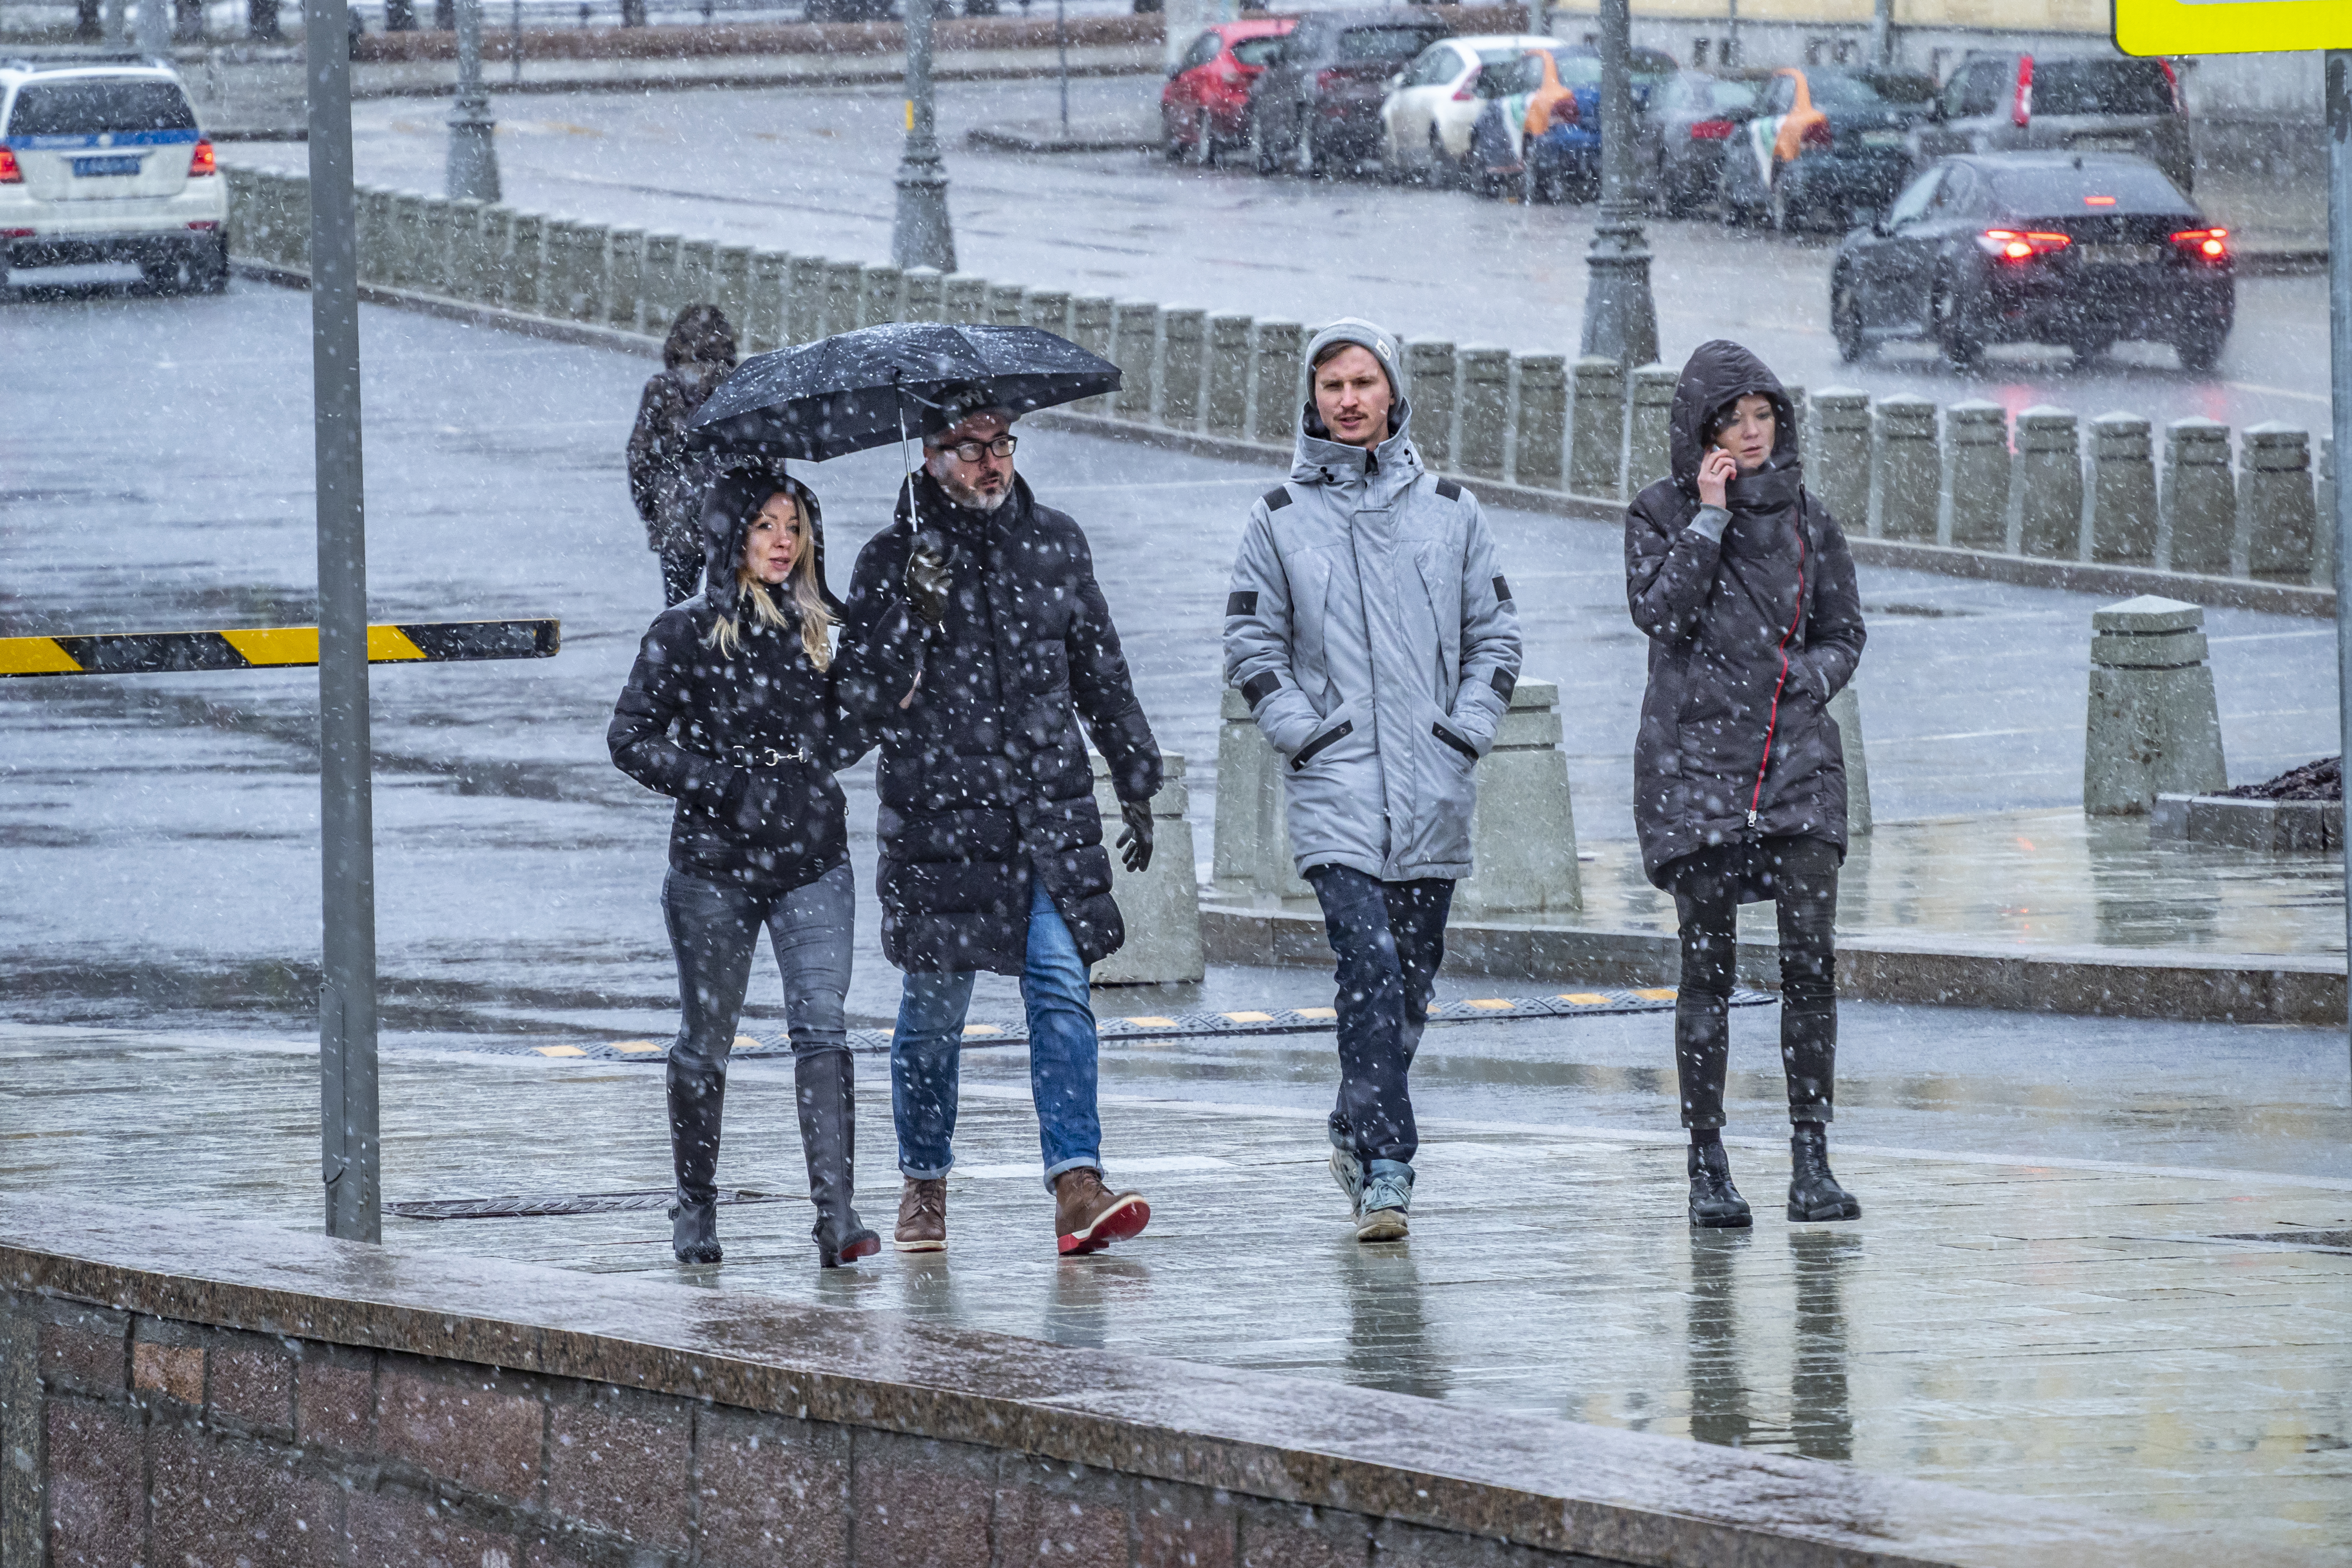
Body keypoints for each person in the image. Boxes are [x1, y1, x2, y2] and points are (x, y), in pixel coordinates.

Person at [836, 393, 1163, 1258]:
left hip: (1044, 815)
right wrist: (912, 611)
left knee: (1059, 987)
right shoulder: (889, 559)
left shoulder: (1054, 540)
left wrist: (1134, 774)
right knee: (933, 1014)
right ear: (931, 455)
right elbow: (860, 702)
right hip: (941, 823)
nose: (991, 461)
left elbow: (1099, 666)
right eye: (969, 446)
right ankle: (923, 1183)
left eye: (1001, 443)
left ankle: (1075, 1185)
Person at [1221, 319, 1523, 1243]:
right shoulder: (1278, 519)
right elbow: (1249, 643)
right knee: (1371, 964)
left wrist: (1463, 732)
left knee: (1412, 984)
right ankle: (1389, 1167)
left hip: (1433, 789)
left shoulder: (1452, 513)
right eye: (1330, 385)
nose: (1347, 400)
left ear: (1394, 391)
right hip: (1336, 785)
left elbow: (1498, 637)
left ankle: (1355, 1117)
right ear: (1310, 400)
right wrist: (1302, 732)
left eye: (1362, 381)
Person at [608, 461, 920, 1268]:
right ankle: (695, 1204)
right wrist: (722, 784)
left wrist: (902, 642)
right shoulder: (684, 630)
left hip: (812, 856)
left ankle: (837, 1216)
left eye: (794, 528)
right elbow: (630, 739)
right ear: (732, 537)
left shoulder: (825, 627)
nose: (782, 543)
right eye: (764, 527)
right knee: (706, 1039)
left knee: (822, 1024)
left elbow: (854, 728)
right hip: (713, 864)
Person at [1624, 339, 1867, 1230]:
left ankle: (1813, 1156)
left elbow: (1845, 631)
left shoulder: (1812, 522)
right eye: (1734, 421)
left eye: (1764, 417)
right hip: (1698, 772)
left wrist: (1810, 681)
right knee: (1709, 972)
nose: (1753, 433)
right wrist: (1711, 517)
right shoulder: (1658, 514)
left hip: (1798, 764)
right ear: (1703, 433)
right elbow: (1661, 612)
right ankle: (1708, 1161)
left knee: (1811, 967)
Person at [627, 305, 739, 608]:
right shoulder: (739, 388)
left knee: (678, 609)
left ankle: (681, 654)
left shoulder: (661, 389)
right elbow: (766, 457)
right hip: (730, 518)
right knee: (729, 610)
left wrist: (653, 509)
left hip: (675, 517)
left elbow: (640, 456)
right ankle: (720, 653)